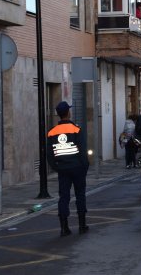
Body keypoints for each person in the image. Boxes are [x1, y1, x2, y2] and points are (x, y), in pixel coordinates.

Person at [47, 101, 90, 237]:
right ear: (68, 113)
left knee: (64, 197)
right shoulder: (76, 129)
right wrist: (85, 167)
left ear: (58, 115)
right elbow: (83, 151)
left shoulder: (52, 132)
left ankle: (64, 228)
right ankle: (82, 226)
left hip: (63, 169)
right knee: (80, 195)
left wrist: (57, 167)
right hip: (77, 167)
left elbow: (49, 154)